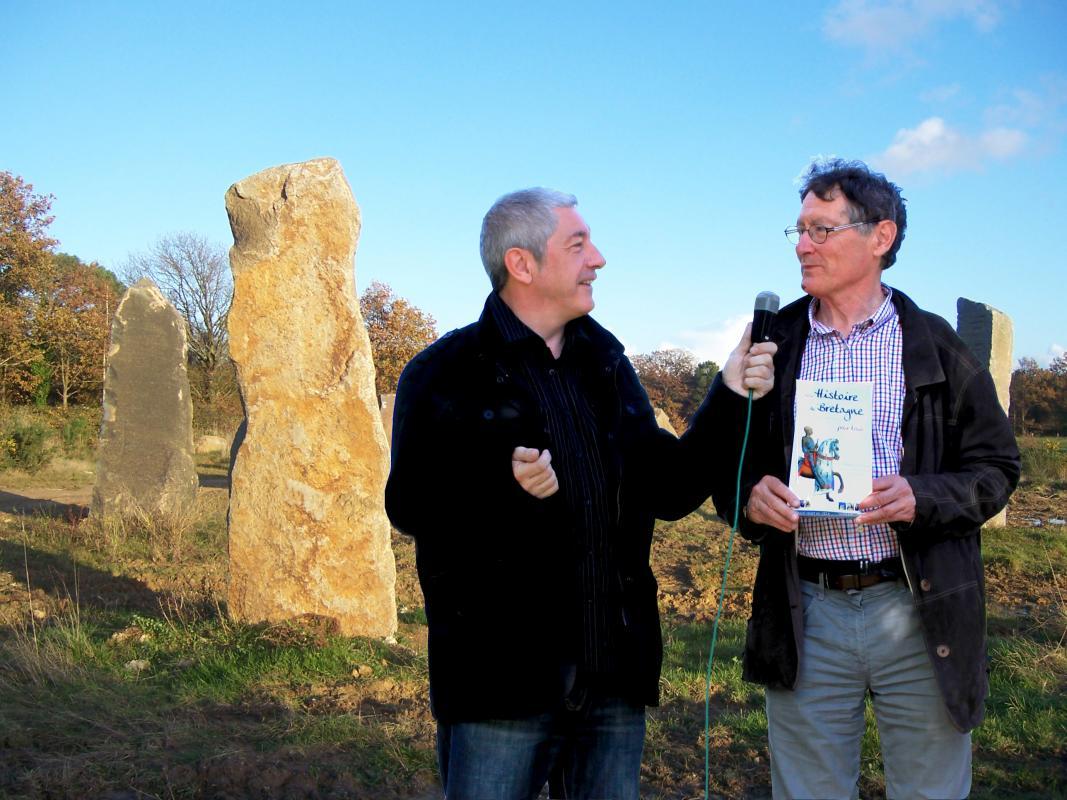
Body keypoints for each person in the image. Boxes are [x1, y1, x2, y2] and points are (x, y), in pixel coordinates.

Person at [385, 187, 776, 799]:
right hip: (500, 683)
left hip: (611, 675)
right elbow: (408, 505)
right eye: (579, 244)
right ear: (523, 264)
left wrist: (727, 393)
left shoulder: (607, 365)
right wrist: (500, 483)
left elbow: (669, 489)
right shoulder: (444, 371)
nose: (599, 258)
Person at [718, 159, 1020, 799]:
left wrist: (923, 497)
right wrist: (750, 496)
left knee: (930, 792)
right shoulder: (775, 341)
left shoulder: (937, 345)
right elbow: (728, 464)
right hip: (807, 612)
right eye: (798, 230)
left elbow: (997, 468)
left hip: (917, 608)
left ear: (880, 238)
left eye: (821, 230)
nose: (802, 245)